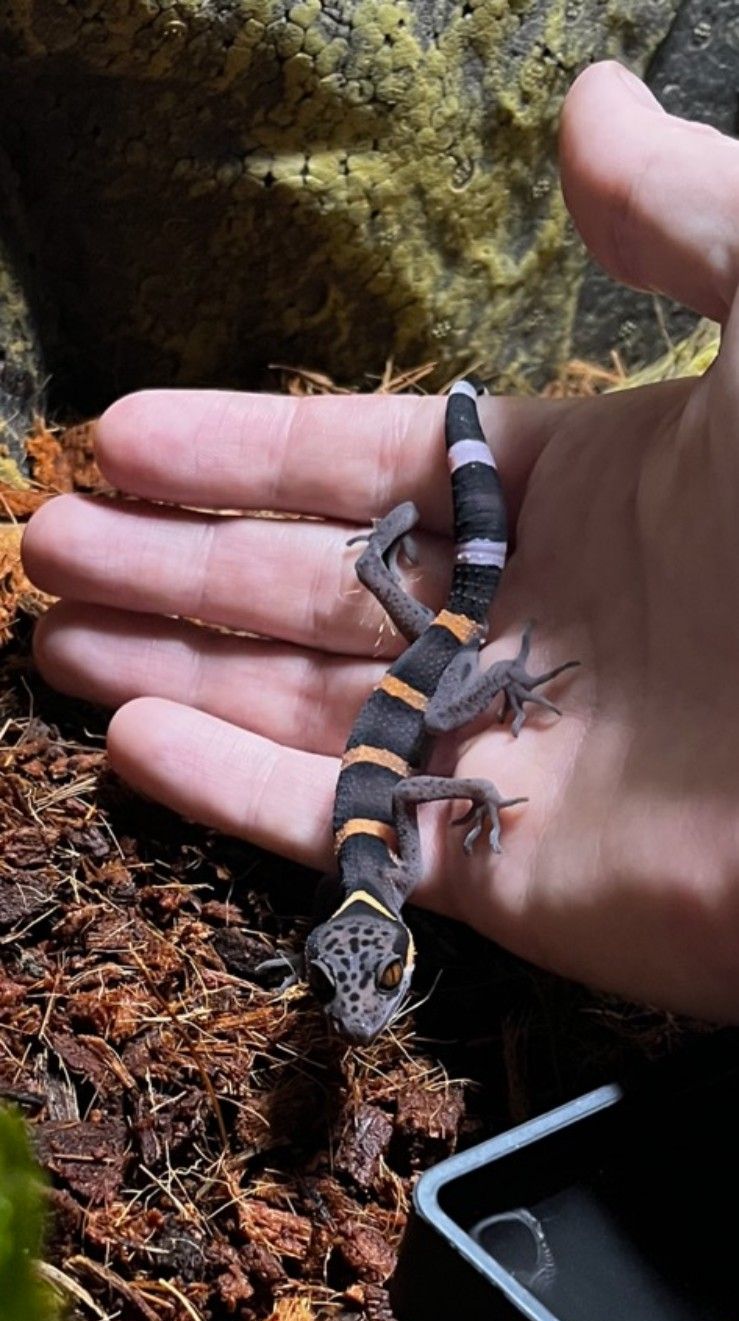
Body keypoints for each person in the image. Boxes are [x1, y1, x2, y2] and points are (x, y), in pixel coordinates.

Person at [21, 62, 739, 1023]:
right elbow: (404, 795)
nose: (364, 1017)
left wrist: (475, 791)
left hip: (421, 689)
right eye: (370, 984)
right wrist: (469, 789)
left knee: (457, 625)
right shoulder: (374, 877)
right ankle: (412, 528)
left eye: (363, 982)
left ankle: (436, 526)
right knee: (453, 608)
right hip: (416, 686)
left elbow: (415, 789)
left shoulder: (385, 871)